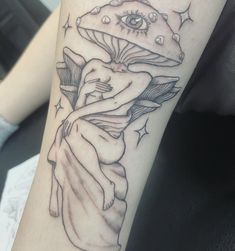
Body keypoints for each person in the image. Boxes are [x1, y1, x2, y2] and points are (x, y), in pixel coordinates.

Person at [0, 0, 227, 250]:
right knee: (65, 138)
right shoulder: (95, 66)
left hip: (110, 142)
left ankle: (104, 184)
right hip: (83, 130)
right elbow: (80, 99)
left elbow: (114, 104)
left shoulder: (140, 77)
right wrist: (86, 91)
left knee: (71, 129)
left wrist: (76, 116)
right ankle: (57, 200)